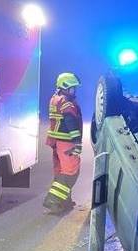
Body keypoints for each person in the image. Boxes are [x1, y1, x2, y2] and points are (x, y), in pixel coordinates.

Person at [43, 72, 83, 214]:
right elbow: (70, 121)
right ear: (66, 87)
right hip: (67, 142)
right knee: (71, 173)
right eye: (73, 88)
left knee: (61, 171)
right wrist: (77, 142)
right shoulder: (66, 102)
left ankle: (64, 201)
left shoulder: (55, 99)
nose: (74, 91)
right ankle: (53, 200)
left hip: (56, 142)